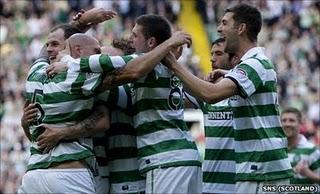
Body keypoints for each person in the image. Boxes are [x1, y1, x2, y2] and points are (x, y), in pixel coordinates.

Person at [51, 14, 202, 194]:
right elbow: (199, 97)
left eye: (135, 35)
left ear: (152, 42)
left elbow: (110, 63)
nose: (131, 39)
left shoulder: (143, 67)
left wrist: (69, 62)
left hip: (163, 159)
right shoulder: (160, 70)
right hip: (182, 157)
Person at [162, 4, 293, 194]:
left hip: (261, 169)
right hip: (258, 168)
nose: (219, 28)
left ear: (241, 28)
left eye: (225, 23)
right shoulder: (253, 64)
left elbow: (211, 94)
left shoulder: (254, 64)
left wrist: (173, 64)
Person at [190, 38, 237, 193]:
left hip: (241, 182)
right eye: (211, 54)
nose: (212, 58)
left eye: (218, 53)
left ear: (234, 57)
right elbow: (175, 101)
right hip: (210, 182)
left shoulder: (249, 90)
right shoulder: (208, 92)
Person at [281, 107, 320, 185]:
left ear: (300, 124)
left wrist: (308, 174)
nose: (287, 124)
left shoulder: (311, 150)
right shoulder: (275, 149)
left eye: (291, 120)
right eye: (284, 120)